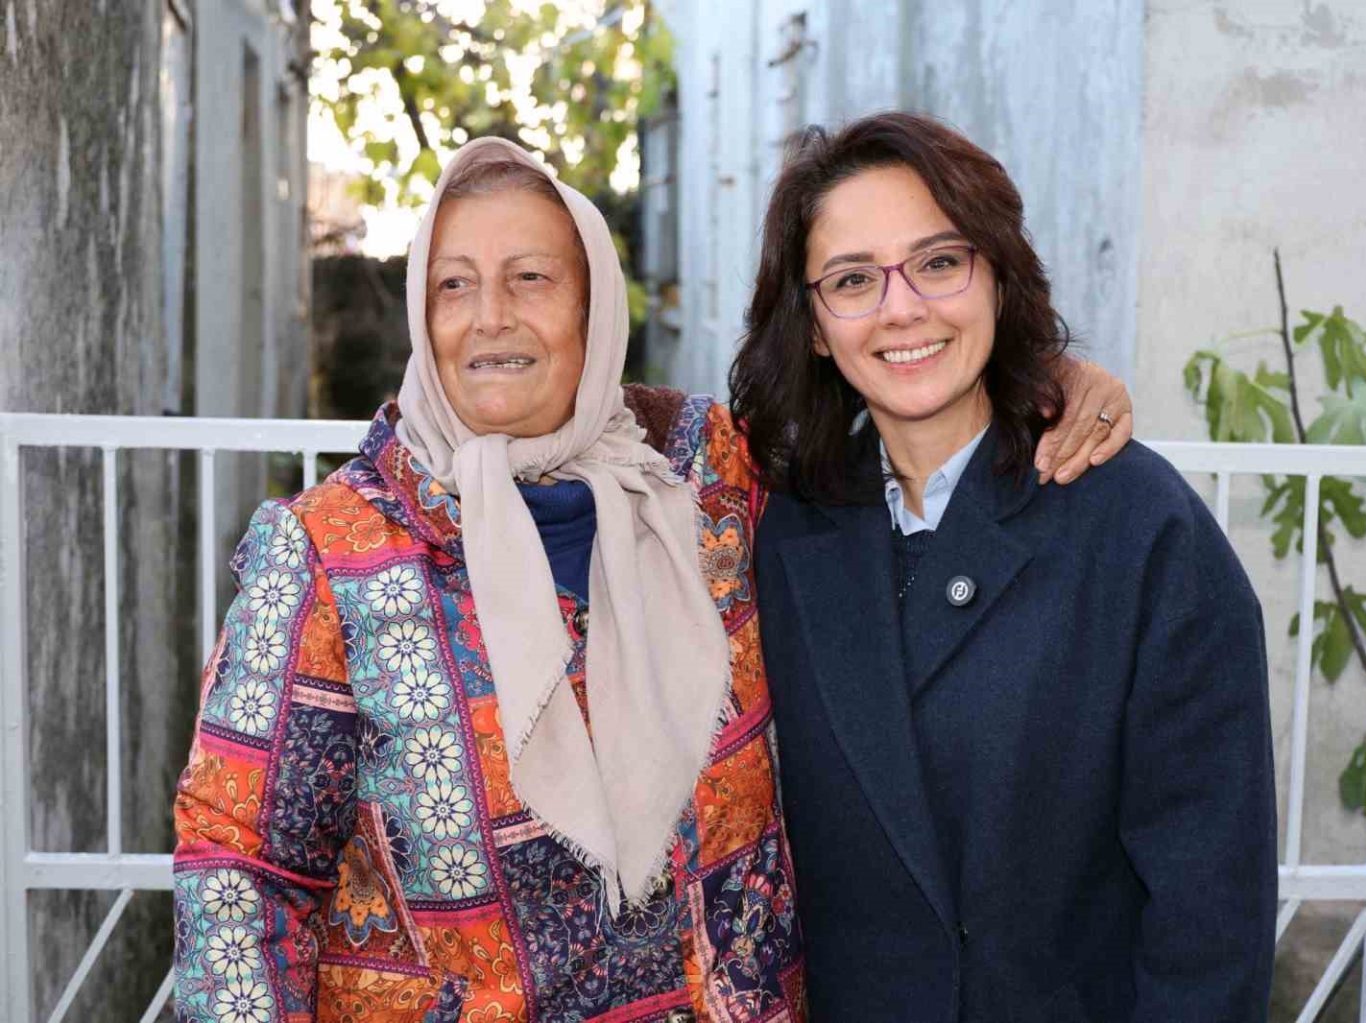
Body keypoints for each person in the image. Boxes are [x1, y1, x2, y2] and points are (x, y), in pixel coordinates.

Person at [170, 134, 1131, 1022]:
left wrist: (1041, 382)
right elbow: (238, 869)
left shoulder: (710, 472)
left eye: (531, 277)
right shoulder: (332, 550)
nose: (490, 316)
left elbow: (889, 398)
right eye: (453, 285)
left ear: (595, 307)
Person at [734, 112, 1277, 1022]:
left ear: (996, 275)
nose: (902, 308)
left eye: (939, 262)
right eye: (853, 279)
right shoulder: (778, 532)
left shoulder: (1139, 528)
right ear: (816, 326)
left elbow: (1210, 909)